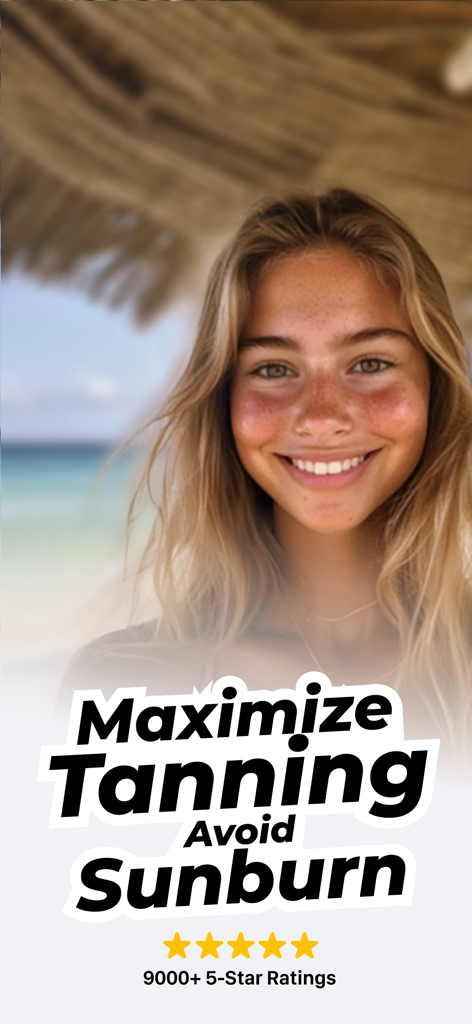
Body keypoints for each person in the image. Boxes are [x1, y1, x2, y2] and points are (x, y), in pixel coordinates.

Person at [62, 189, 472, 752]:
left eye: (371, 363)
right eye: (274, 368)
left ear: (434, 387)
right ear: (224, 401)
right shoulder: (124, 690)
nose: (322, 417)